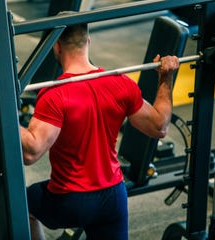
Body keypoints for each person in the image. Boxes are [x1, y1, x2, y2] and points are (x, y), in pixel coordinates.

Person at [20, 14, 179, 240]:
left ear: (56, 46)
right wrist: (165, 79)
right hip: (113, 197)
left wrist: (0, 111)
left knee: (21, 205)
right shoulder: (121, 83)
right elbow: (159, 127)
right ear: (88, 42)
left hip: (70, 200)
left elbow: (31, 151)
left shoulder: (54, 95)